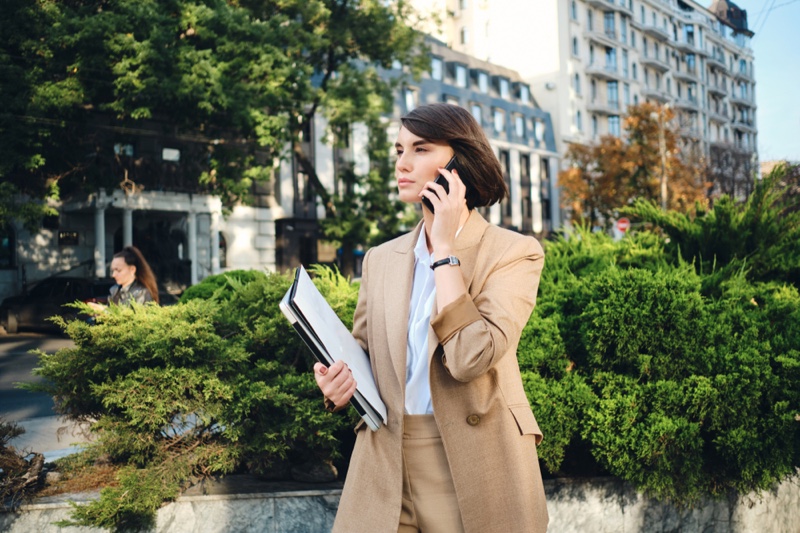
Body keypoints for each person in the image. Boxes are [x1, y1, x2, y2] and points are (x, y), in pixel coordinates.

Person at [314, 103, 548, 532]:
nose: (402, 163)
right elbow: (365, 353)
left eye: (420, 149)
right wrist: (338, 384)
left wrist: (444, 254)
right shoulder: (381, 258)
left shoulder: (513, 252)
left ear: (460, 162)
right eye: (399, 150)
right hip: (384, 462)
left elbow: (470, 358)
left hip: (470, 462)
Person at [88, 246, 159, 311]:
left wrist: (104, 311)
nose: (113, 275)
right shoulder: (115, 291)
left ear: (132, 270)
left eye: (118, 270)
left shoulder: (141, 293)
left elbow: (135, 320)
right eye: (113, 271)